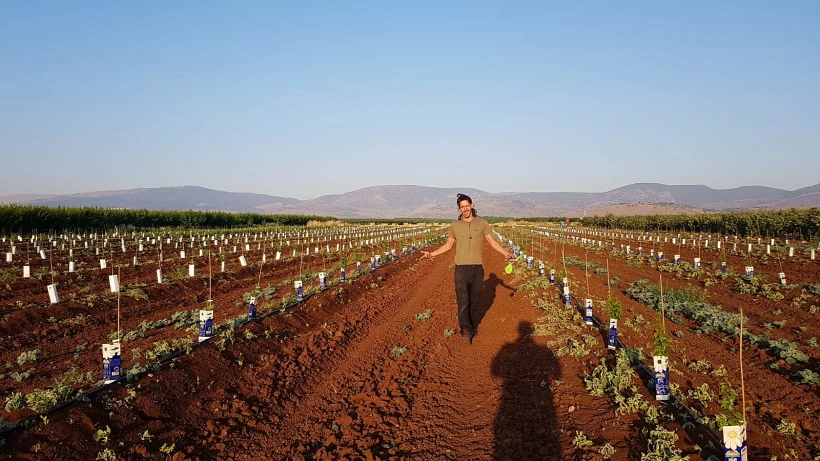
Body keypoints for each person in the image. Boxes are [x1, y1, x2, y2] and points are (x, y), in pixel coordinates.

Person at [420, 193, 514, 343]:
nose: (465, 209)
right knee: (463, 299)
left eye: (467, 206)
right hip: (461, 269)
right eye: (462, 207)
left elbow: (492, 242)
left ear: (472, 205)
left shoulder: (482, 223)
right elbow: (448, 245)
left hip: (477, 268)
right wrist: (431, 254)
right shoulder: (454, 226)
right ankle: (466, 328)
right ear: (459, 209)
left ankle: (470, 323)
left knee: (475, 299)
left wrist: (506, 253)